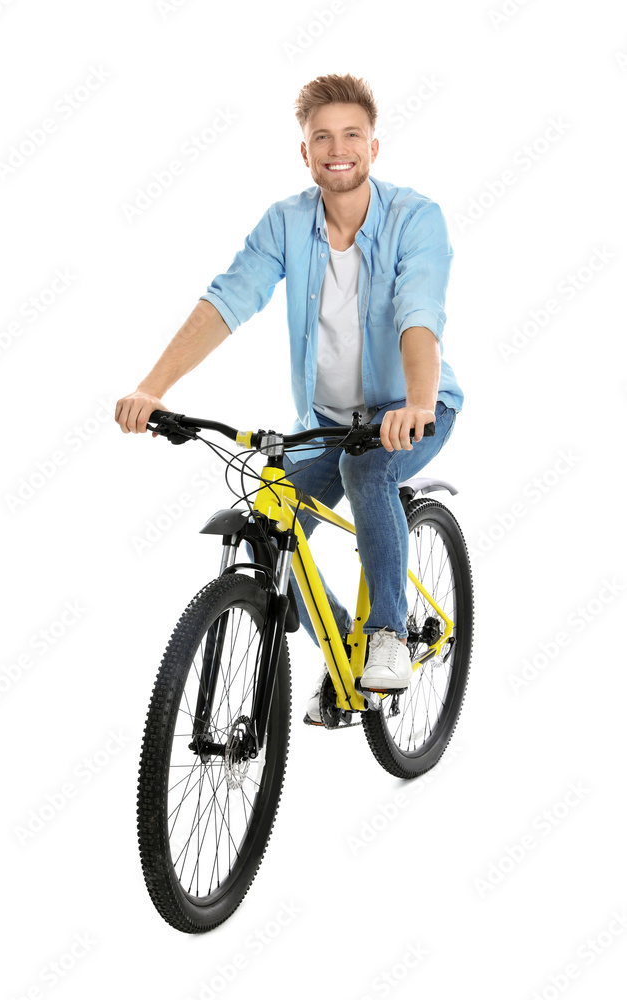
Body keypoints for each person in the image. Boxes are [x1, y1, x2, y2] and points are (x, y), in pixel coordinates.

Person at [115, 73, 464, 725]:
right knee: (270, 528)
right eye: (322, 137)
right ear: (304, 153)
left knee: (368, 470)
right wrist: (152, 388)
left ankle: (387, 636)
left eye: (352, 135)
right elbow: (228, 299)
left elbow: (421, 312)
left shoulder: (417, 217)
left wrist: (416, 400)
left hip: (417, 410)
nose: (338, 148)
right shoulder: (285, 222)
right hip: (329, 423)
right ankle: (344, 655)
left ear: (374, 147)